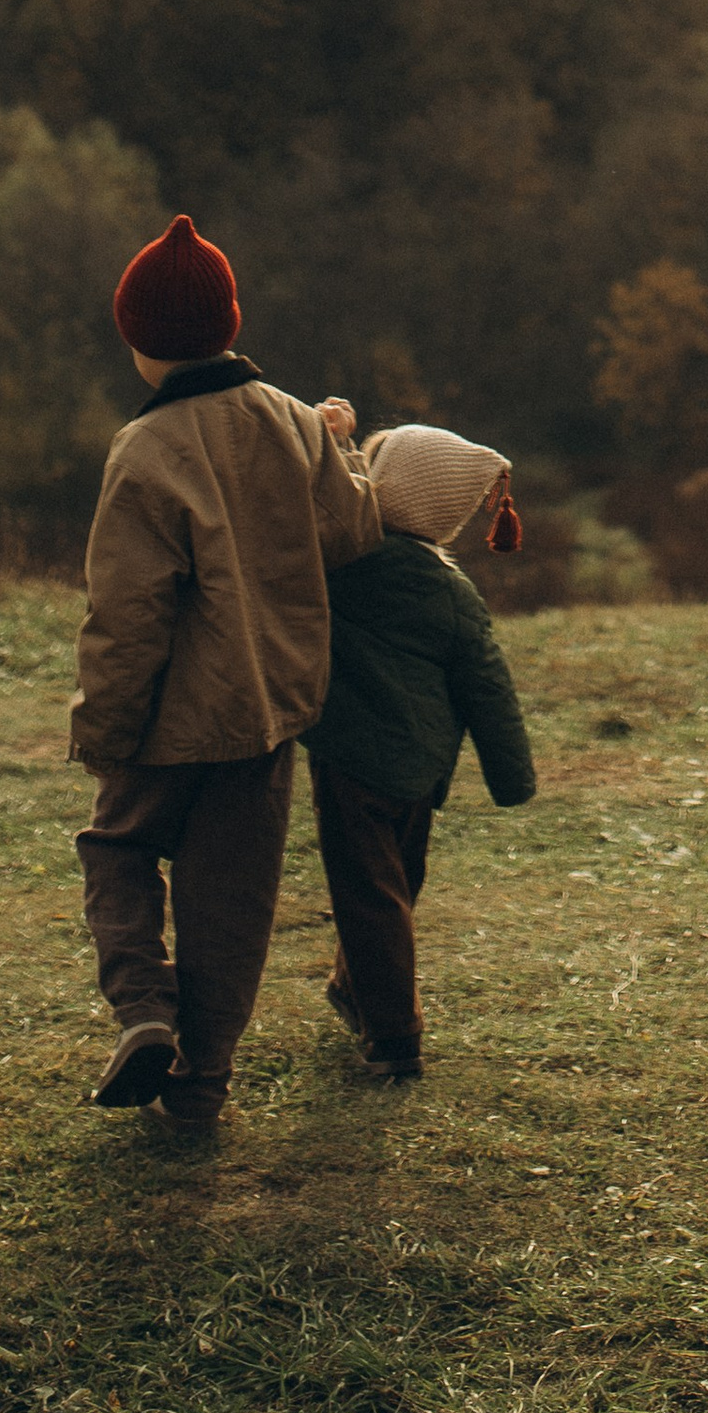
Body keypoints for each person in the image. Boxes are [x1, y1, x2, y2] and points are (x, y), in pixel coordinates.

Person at [70, 215, 382, 1131]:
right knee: (230, 904)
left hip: (168, 721)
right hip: (267, 715)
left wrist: (104, 728)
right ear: (231, 324)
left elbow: (127, 614)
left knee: (117, 851)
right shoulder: (292, 421)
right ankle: (201, 1084)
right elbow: (351, 533)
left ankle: (145, 1009)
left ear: (137, 342)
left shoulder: (143, 451)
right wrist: (338, 442)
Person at [303, 421, 538, 1080]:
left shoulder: (337, 568)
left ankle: (395, 1039)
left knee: (368, 894)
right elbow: (488, 685)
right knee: (396, 886)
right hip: (421, 772)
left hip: (349, 764)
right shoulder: (451, 591)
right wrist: (512, 776)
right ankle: (354, 989)